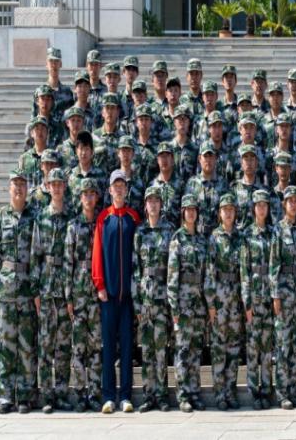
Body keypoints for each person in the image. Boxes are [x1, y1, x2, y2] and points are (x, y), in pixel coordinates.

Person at [0, 169, 39, 414]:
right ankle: (6, 395)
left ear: (27, 188)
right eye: (15, 184)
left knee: (26, 345)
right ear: (9, 188)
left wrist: (37, 289)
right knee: (6, 345)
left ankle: (26, 396)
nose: (18, 188)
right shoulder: (0, 218)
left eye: (22, 184)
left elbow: (38, 256)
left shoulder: (34, 216)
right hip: (6, 288)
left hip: (27, 288)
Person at [91, 169, 141, 414]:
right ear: (110, 190)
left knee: (127, 347)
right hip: (108, 295)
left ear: (126, 189)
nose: (119, 189)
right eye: (115, 186)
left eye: (122, 185)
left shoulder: (133, 218)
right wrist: (99, 284)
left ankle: (126, 396)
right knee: (109, 346)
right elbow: (97, 254)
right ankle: (109, 396)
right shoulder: (104, 218)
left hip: (128, 297)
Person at [30, 168, 73, 413]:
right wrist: (36, 290)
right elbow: (35, 256)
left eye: (60, 184)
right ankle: (47, 395)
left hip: (64, 288)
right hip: (46, 288)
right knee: (46, 344)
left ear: (64, 187)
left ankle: (62, 393)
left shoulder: (70, 217)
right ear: (47, 187)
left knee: (63, 345)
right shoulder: (41, 219)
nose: (56, 188)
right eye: (53, 184)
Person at [133, 186, 174, 412]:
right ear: (145, 205)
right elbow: (134, 268)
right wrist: (136, 301)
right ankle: (148, 395)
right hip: (145, 299)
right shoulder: (140, 232)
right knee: (147, 349)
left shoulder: (169, 230)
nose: (153, 205)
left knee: (161, 348)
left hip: (163, 297)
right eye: (150, 201)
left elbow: (173, 267)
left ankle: (162, 394)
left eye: (157, 201)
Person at [167, 194, 208, 413]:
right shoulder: (177, 239)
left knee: (195, 349)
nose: (191, 213)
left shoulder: (201, 240)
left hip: (198, 302)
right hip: (182, 303)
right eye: (187, 209)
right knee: (182, 349)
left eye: (194, 209)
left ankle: (194, 392)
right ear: (182, 213)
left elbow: (206, 273)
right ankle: (183, 395)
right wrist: (174, 306)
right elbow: (172, 275)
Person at [64, 178, 102, 412]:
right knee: (78, 346)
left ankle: (94, 393)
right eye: (84, 194)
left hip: (96, 294)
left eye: (91, 194)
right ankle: (80, 394)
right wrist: (68, 297)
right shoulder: (73, 226)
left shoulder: (101, 224)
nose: (88, 198)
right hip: (78, 294)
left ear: (96, 198)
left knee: (96, 345)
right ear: (80, 198)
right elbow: (68, 263)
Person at [205, 194, 244, 410]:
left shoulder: (240, 238)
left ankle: (231, 391)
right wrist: (211, 303)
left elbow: (244, 271)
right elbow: (210, 272)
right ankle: (219, 393)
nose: (228, 213)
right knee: (219, 347)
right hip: (219, 299)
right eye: (224, 209)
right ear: (219, 213)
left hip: (236, 298)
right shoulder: (214, 238)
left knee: (234, 347)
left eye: (231, 209)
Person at [270, 186, 296, 410]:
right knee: (283, 345)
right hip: (283, 294)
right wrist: (275, 295)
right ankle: (282, 392)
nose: (293, 204)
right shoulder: (278, 230)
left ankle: (292, 388)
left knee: (295, 345)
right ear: (284, 204)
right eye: (289, 201)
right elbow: (273, 264)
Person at [240, 190, 275, 409]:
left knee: (267, 348)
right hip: (254, 296)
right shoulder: (246, 235)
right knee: (253, 348)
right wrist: (246, 301)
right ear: (253, 209)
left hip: (269, 297)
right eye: (258, 205)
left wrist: (275, 296)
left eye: (265, 205)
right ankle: (254, 392)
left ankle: (267, 390)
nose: (261, 209)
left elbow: (276, 267)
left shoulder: (273, 233)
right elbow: (244, 270)